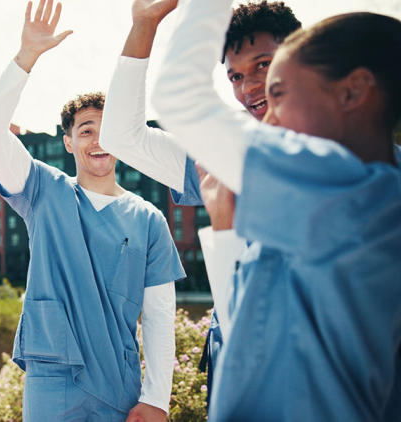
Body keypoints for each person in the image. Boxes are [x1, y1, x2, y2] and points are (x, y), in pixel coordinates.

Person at [151, 0, 401, 419]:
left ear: (353, 90)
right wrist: (227, 231)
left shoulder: (341, 186)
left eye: (280, 92)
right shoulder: (352, 202)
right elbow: (250, 332)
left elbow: (177, 94)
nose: (265, 117)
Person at [0, 1, 185, 420]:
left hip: (119, 384)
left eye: (108, 130)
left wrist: (157, 398)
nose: (98, 140)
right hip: (53, 377)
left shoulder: (148, 219)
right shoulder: (43, 191)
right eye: (86, 130)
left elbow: (160, 315)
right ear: (68, 142)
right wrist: (27, 56)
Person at [98, 0, 301, 398]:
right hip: (239, 379)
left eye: (263, 65)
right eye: (235, 76)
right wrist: (145, 23)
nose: (249, 88)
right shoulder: (227, 152)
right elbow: (121, 136)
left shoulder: (364, 160)